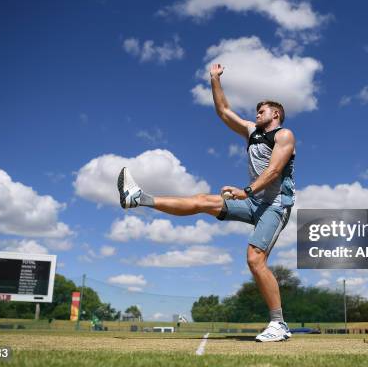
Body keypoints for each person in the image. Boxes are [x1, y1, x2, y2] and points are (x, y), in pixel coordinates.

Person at [117, 63, 296, 342]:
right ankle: (138, 198)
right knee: (202, 201)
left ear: (276, 114)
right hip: (252, 201)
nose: (256, 113)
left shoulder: (284, 135)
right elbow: (223, 111)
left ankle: (278, 324)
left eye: (262, 111)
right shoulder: (252, 132)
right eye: (256, 110)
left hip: (275, 206)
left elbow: (273, 171)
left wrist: (246, 191)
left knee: (255, 258)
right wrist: (214, 79)